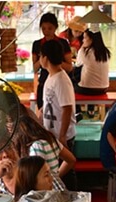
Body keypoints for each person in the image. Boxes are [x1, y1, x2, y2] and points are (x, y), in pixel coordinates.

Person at [40, 39, 78, 190]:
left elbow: (67, 108)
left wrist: (62, 135)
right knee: (56, 171)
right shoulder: (51, 77)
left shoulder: (61, 79)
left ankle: (74, 200)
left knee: (67, 171)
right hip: (52, 134)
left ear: (46, 58)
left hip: (63, 135)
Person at [14, 114, 76, 191]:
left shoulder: (36, 146)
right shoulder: (50, 139)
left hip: (46, 192)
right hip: (55, 188)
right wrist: (56, 176)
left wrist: (54, 177)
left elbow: (36, 175)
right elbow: (71, 159)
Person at [31, 12, 73, 113]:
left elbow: (69, 67)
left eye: (50, 28)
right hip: (44, 82)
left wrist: (54, 60)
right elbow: (35, 69)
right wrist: (43, 59)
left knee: (60, 112)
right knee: (44, 113)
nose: (46, 31)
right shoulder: (37, 44)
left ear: (55, 28)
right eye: (44, 28)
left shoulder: (63, 43)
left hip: (59, 82)